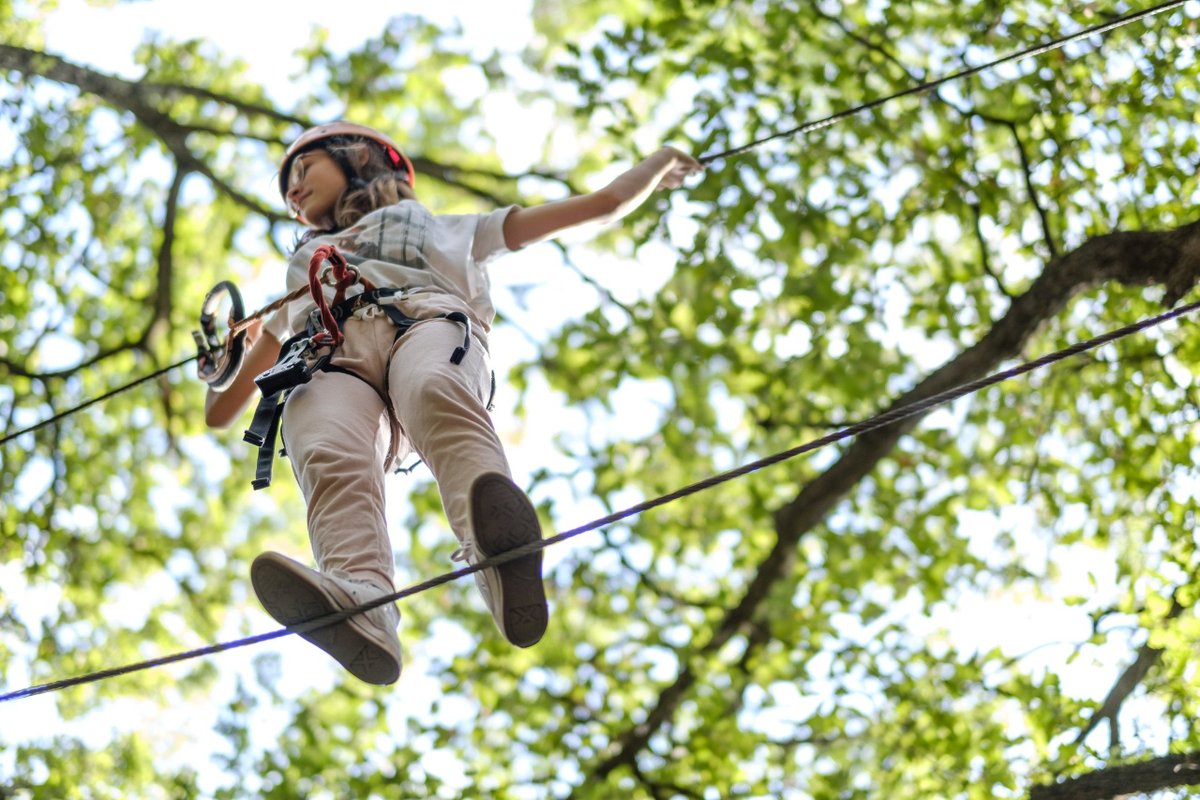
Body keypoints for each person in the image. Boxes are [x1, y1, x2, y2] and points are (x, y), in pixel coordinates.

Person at [203, 121, 702, 686]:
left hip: (424, 317)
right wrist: (220, 366)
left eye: (302, 170)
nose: (293, 193)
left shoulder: (445, 229)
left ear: (359, 155)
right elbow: (221, 411)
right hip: (327, 352)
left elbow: (603, 204)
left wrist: (660, 162)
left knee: (434, 389)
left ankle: (499, 554)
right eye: (288, 187)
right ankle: (362, 604)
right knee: (323, 444)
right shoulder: (301, 274)